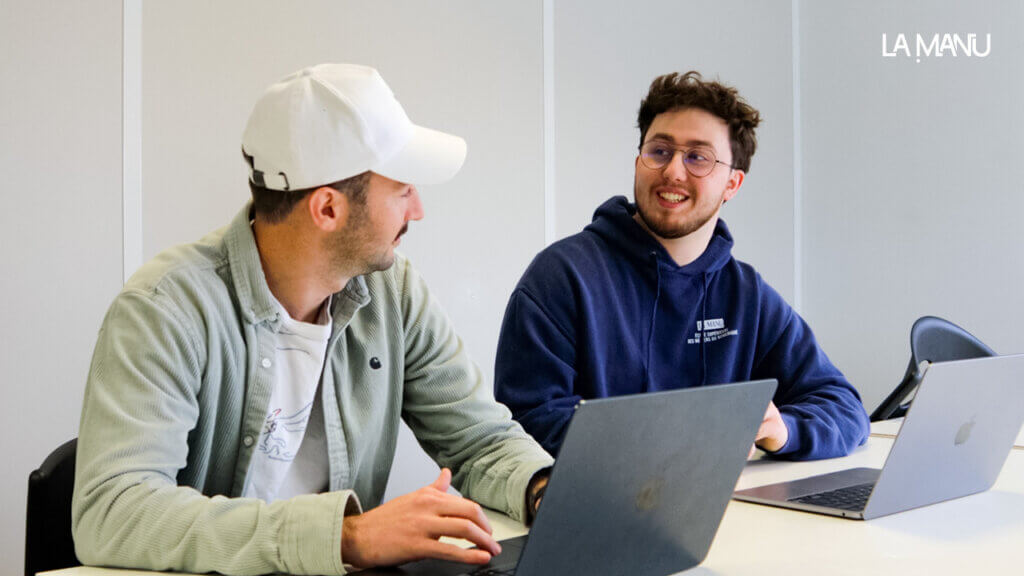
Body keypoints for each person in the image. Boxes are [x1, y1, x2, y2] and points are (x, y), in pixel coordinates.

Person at [72, 63, 553, 575]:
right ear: (327, 209)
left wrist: (544, 489)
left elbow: (481, 441)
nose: (417, 211)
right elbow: (113, 510)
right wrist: (343, 538)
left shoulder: (394, 292)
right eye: (402, 189)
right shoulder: (164, 309)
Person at [494, 71, 869, 460]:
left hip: (729, 508)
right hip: (603, 512)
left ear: (732, 184)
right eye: (659, 151)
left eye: (698, 158)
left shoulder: (746, 294)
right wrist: (681, 443)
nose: (673, 170)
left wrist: (784, 430)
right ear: (639, 160)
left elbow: (842, 406)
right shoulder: (562, 277)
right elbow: (527, 424)